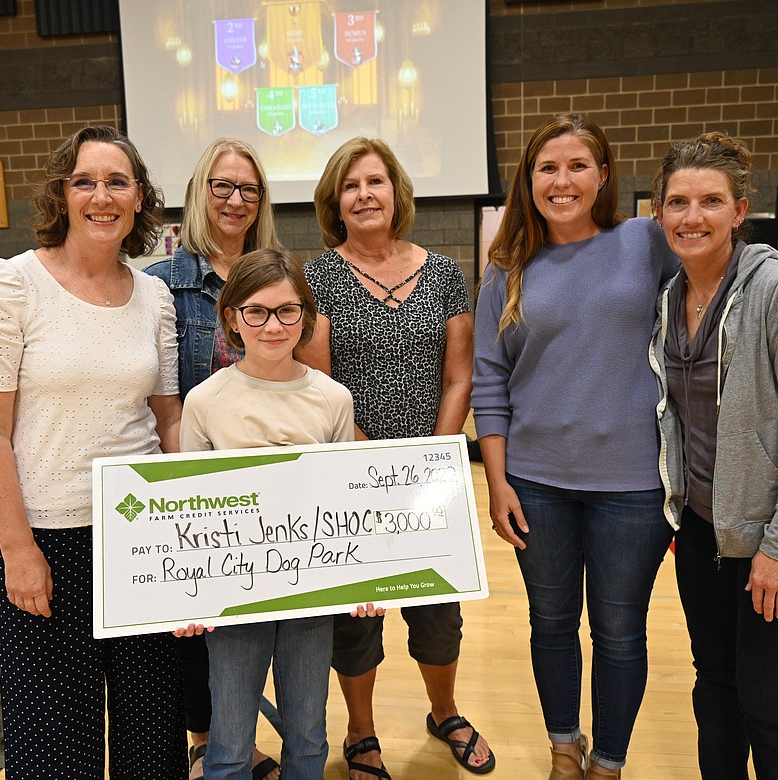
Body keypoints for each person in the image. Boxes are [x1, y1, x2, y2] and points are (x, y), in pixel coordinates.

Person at [0, 124, 186, 779]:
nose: (101, 195)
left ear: (139, 197)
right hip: (47, 537)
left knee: (151, 736)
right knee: (56, 743)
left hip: (141, 538)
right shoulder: (10, 286)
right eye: (84, 181)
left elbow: (165, 417)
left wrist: (186, 528)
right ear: (63, 194)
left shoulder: (155, 296)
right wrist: (17, 548)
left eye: (117, 181)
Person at [472, 114, 677, 780]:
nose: (562, 181)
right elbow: (490, 381)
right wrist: (498, 484)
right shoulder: (507, 269)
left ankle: (608, 763)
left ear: (604, 175)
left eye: (577, 166)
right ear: (527, 182)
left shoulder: (647, 242)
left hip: (634, 488)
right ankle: (565, 748)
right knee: (551, 624)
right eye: (547, 168)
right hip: (536, 484)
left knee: (619, 634)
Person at [650, 131, 778, 779]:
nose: (692, 217)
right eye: (678, 202)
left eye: (710, 201)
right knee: (717, 688)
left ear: (739, 211)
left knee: (766, 696)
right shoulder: (668, 300)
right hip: (706, 533)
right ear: (659, 213)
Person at [300, 137, 490, 779]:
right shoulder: (318, 279)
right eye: (350, 186)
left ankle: (445, 711)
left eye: (374, 181)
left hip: (429, 476)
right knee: (357, 617)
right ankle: (361, 732)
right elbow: (318, 387)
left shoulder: (441, 273)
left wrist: (432, 456)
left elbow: (458, 375)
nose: (364, 195)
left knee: (438, 612)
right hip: (351, 480)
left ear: (396, 191)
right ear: (335, 202)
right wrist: (367, 466)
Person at [179, 247, 382, 780]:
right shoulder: (203, 401)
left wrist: (366, 579)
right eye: (257, 311)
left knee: (308, 733)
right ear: (232, 317)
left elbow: (348, 500)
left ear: (306, 317)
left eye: (288, 310)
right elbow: (185, 513)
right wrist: (183, 597)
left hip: (309, 599)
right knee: (228, 737)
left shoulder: (333, 399)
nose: (273, 325)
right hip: (233, 599)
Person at [143, 137, 283, 780]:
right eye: (222, 187)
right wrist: (182, 491)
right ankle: (208, 738)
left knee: (252, 627)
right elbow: (161, 399)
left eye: (248, 189)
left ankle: (237, 735)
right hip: (197, 481)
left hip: (272, 492)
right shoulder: (161, 285)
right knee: (199, 630)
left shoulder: (278, 275)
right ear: (200, 193)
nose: (235, 199)